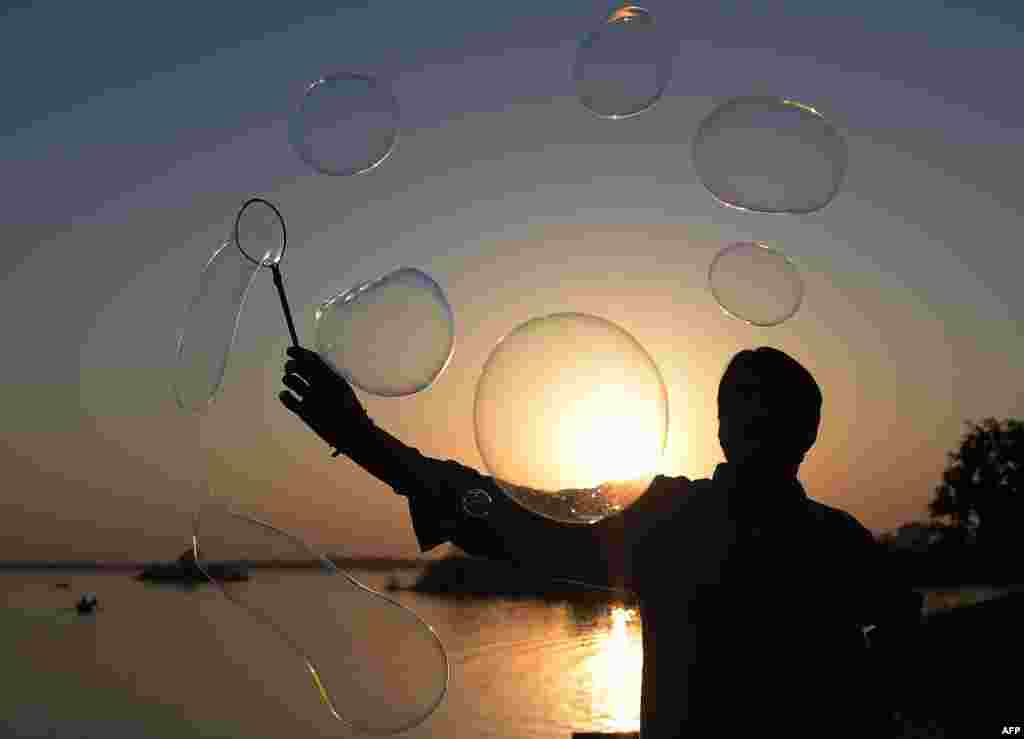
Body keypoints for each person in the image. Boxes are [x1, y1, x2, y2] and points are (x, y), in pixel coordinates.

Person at [280, 345, 922, 737]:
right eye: (743, 404)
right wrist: (360, 436)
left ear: (804, 431)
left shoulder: (835, 542)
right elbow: (507, 511)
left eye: (769, 408)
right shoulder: (672, 518)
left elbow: (899, 631)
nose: (754, 419)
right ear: (723, 427)